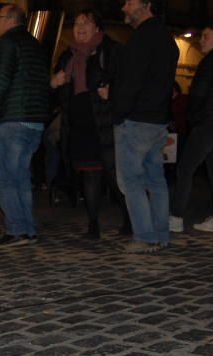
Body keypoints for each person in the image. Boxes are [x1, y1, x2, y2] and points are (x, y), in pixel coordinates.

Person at [50, 6, 129, 239]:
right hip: (79, 125)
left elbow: (127, 82)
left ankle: (131, 219)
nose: (80, 28)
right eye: (76, 24)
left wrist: (112, 92)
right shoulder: (68, 56)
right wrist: (54, 84)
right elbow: (58, 96)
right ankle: (93, 225)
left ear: (97, 27)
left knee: (115, 176)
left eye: (86, 23)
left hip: (105, 123)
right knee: (90, 175)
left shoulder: (111, 50)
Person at [111, 0, 179, 253]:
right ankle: (161, 235)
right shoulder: (167, 39)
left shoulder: (141, 39)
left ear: (146, 5)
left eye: (129, 2)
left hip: (136, 119)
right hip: (158, 120)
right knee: (155, 180)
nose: (124, 8)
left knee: (131, 181)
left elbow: (132, 81)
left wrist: (118, 112)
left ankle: (144, 236)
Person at [0, 4, 49, 248]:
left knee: (3, 179)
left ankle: (16, 230)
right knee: (20, 178)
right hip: (34, 122)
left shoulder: (7, 44)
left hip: (11, 120)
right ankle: (27, 229)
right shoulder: (35, 46)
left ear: (9, 20)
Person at [168, 22, 213, 235]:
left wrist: (192, 115)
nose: (201, 40)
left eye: (206, 36)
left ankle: (176, 216)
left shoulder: (210, 61)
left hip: (209, 122)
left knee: (185, 168)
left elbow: (199, 93)